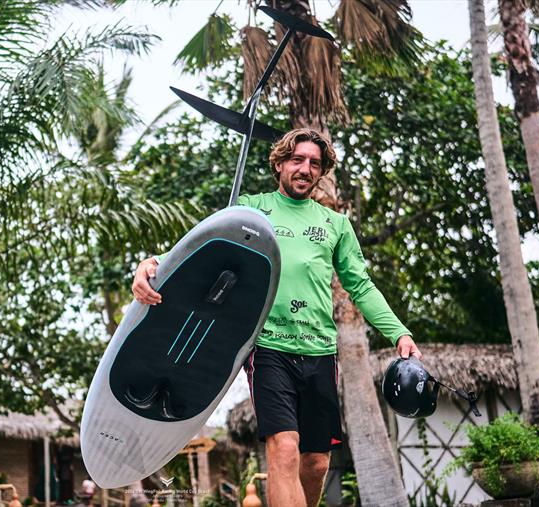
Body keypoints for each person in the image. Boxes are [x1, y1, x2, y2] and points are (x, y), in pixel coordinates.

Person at [131, 128, 421, 507]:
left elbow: (361, 286)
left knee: (316, 463)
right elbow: (202, 247)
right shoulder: (252, 208)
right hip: (268, 347)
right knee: (284, 448)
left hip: (318, 350)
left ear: (322, 171)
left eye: (314, 163)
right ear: (280, 163)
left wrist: (398, 332)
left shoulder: (335, 225)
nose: (305, 169)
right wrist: (152, 264)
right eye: (297, 160)